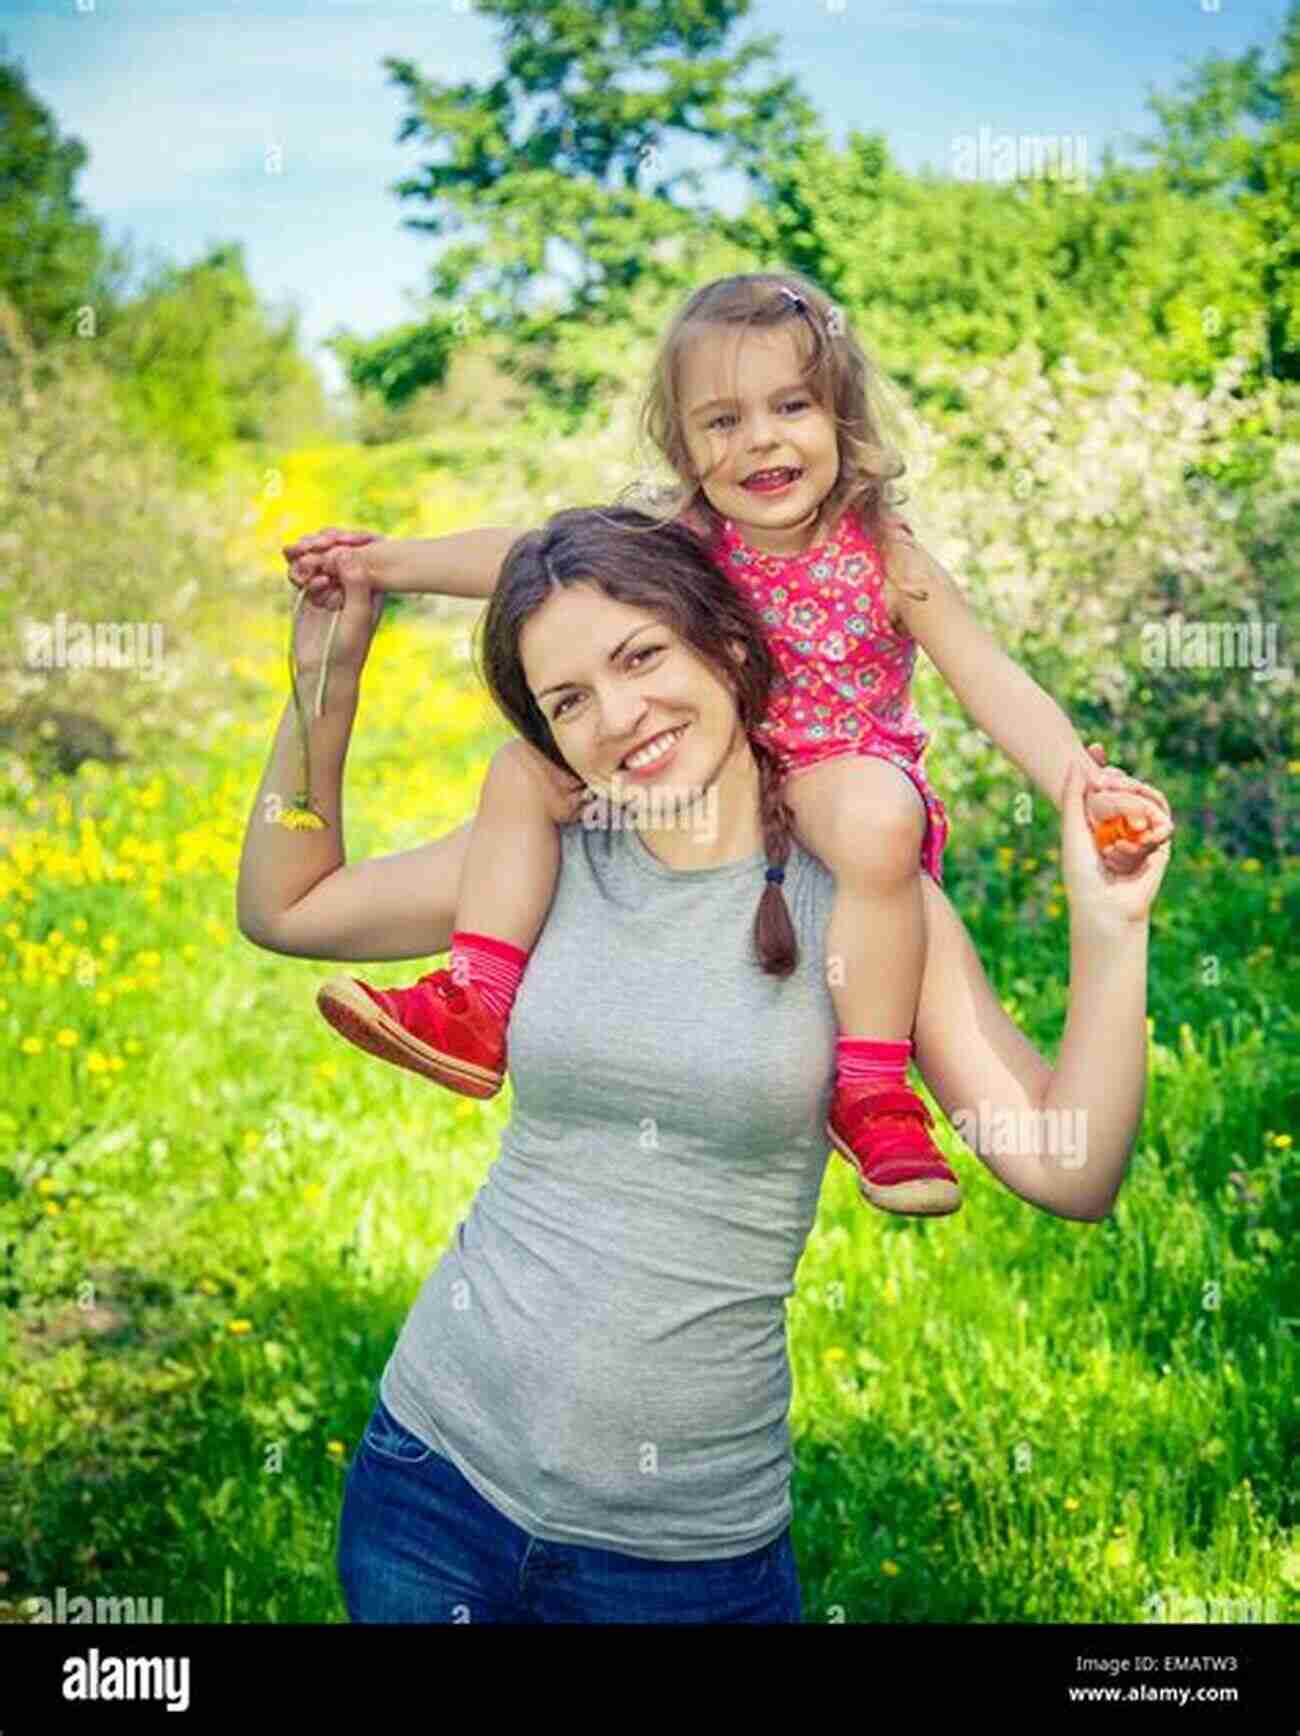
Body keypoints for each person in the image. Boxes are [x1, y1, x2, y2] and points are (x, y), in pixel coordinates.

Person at [237, 502, 1173, 1624]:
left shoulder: (866, 899)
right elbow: (286, 905)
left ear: (728, 644)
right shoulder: (542, 853)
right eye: (567, 700)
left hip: (679, 1560)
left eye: (641, 657)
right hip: (430, 1483)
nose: (619, 716)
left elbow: (1068, 1169)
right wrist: (321, 685)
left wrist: (1111, 927)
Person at [283, 272, 1165, 1221]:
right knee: (522, 771)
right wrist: (384, 565)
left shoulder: (888, 555)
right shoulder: (685, 539)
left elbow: (991, 680)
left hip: (837, 781)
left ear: (842, 416)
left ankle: (869, 1082)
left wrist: (1080, 784)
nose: (760, 440)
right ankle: (477, 1001)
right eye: (721, 421)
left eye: (792, 405)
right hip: (715, 781)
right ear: (684, 447)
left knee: (875, 812)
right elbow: (525, 554)